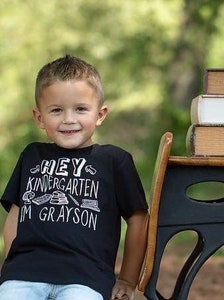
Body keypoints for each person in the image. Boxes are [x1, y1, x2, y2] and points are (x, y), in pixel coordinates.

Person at [0, 55, 149, 300]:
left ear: (100, 114)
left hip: (86, 278)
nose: (69, 119)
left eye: (80, 109)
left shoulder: (114, 160)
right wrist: (12, 265)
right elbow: (16, 214)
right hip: (24, 274)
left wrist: (127, 279)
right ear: (40, 118)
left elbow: (138, 219)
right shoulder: (32, 156)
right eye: (57, 110)